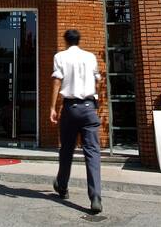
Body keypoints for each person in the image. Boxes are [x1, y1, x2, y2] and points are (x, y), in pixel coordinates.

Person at [50, 29, 103, 214]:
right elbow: (98, 82)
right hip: (89, 108)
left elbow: (57, 81)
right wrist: (95, 101)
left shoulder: (60, 56)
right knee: (93, 152)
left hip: (70, 108)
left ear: (66, 41)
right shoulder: (90, 57)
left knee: (66, 149)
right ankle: (95, 196)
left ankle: (62, 186)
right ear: (79, 40)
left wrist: (53, 107)